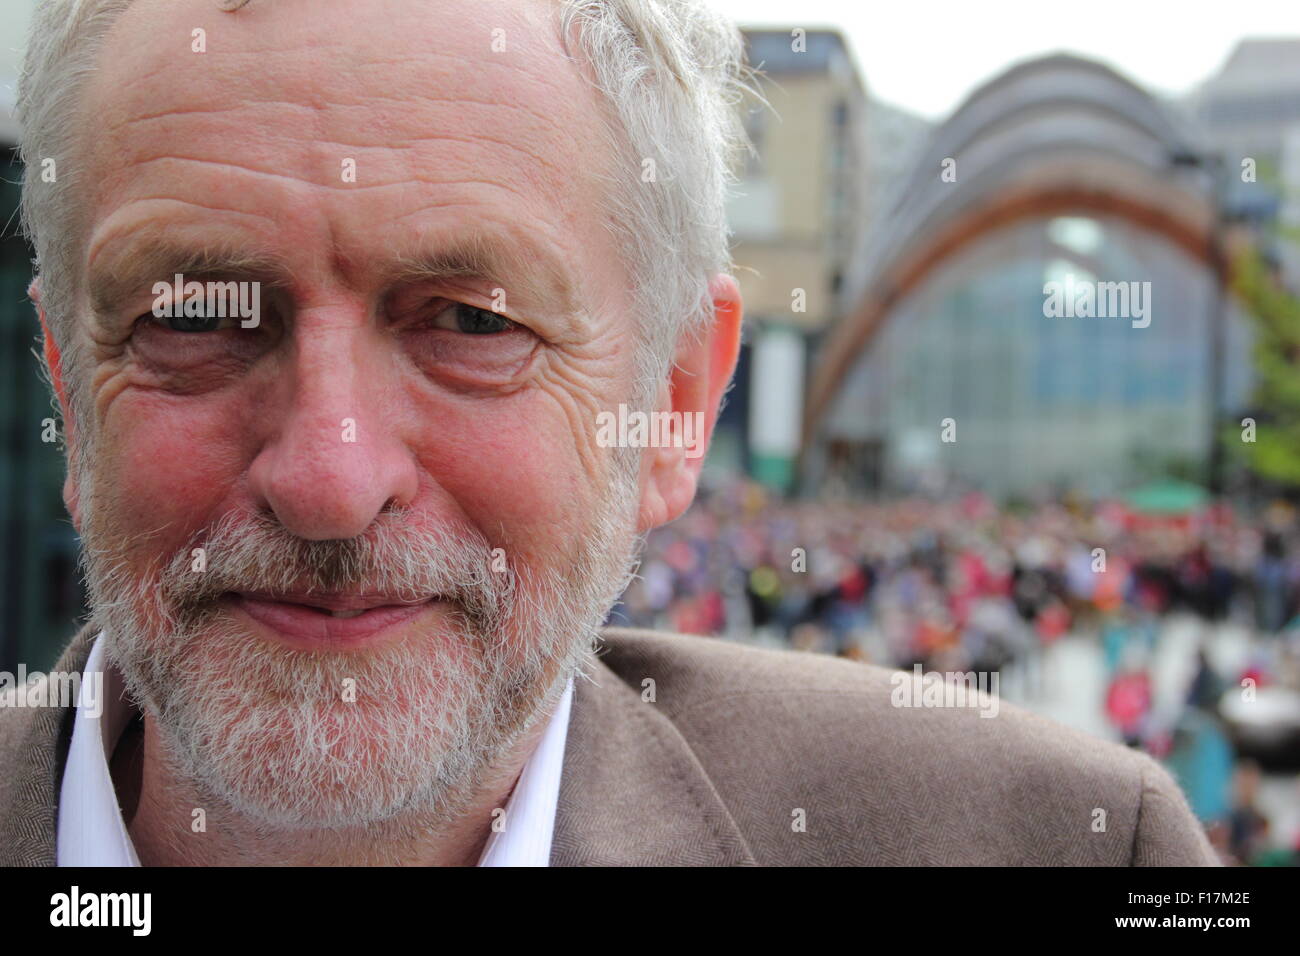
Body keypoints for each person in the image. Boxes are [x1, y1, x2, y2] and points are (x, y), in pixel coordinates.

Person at [0, 0, 1216, 866]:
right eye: (195, 321)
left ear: (677, 400)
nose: (329, 474)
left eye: (471, 321)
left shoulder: (1069, 849)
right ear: (62, 383)